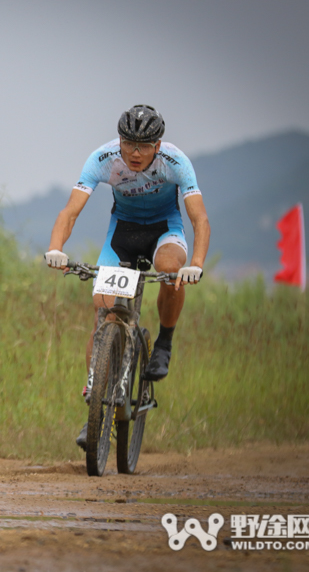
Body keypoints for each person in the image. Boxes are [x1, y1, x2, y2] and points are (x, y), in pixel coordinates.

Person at [44, 104, 210, 449]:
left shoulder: (177, 162)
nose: (135, 153)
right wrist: (56, 247)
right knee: (103, 309)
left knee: (168, 270)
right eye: (128, 143)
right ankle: (95, 404)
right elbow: (71, 211)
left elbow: (199, 220)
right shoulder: (103, 159)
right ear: (119, 141)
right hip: (122, 232)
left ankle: (164, 340)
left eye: (144, 145)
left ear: (158, 145)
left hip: (166, 230)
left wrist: (195, 262)